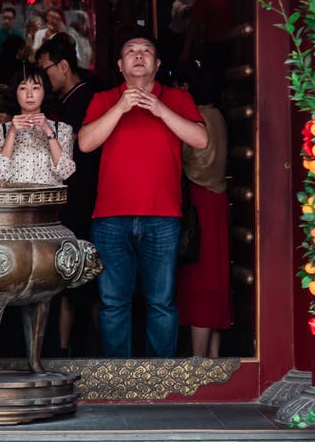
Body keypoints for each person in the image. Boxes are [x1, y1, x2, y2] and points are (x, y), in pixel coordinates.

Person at [78, 35, 208, 358]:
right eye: (131, 52)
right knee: (112, 303)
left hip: (163, 216)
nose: (139, 56)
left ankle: (160, 381)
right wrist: (121, 108)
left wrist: (161, 110)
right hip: (110, 216)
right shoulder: (104, 99)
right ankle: (118, 379)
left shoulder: (176, 99)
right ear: (120, 66)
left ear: (158, 64)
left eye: (146, 51)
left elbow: (201, 140)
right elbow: (84, 143)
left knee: (161, 303)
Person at [37, 35, 100, 356]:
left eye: (44, 70)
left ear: (63, 66)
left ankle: (91, 351)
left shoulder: (86, 99)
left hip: (84, 199)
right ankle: (65, 349)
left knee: (83, 277)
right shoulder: (65, 102)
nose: (41, 80)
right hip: (71, 201)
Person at [176, 74, 230, 358]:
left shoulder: (199, 116)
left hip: (199, 201)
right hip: (218, 198)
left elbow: (193, 159)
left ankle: (198, 362)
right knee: (216, 278)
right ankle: (214, 356)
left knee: (200, 279)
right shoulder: (219, 114)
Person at [0, 69, 75, 185]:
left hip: (48, 201)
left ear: (45, 92)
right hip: (12, 201)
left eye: (35, 88)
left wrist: (48, 131)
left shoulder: (62, 129)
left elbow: (65, 172)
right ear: (15, 92)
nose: (29, 95)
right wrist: (12, 132)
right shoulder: (0, 130)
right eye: (23, 88)